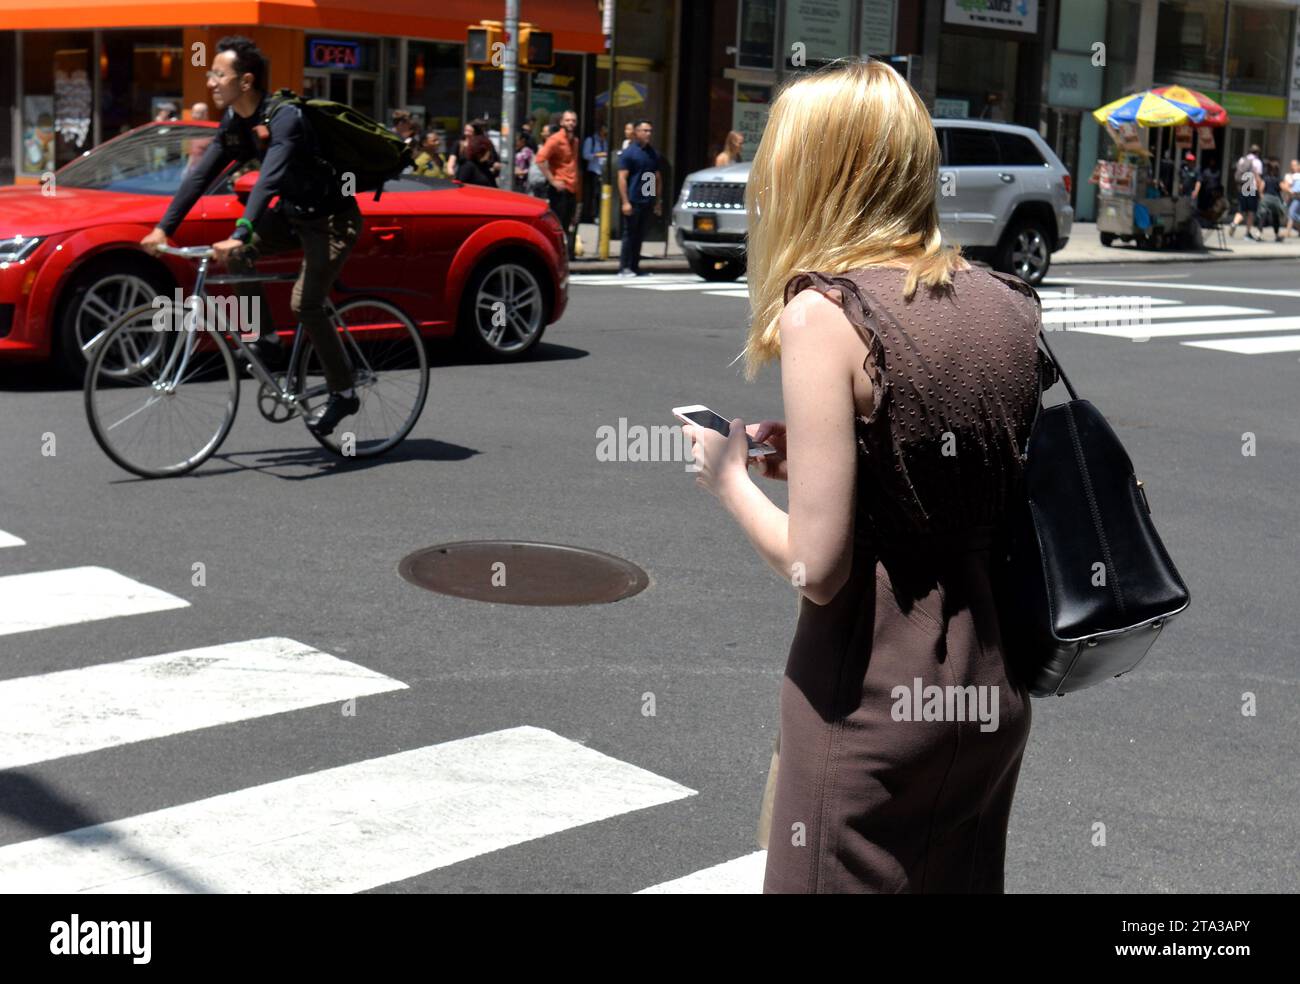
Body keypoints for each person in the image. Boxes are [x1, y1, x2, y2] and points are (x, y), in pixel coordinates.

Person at [683, 58, 1041, 893]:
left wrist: (728, 473)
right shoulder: (1005, 301)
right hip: (989, 695)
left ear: (817, 175)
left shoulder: (824, 312)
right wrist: (818, 457)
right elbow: (947, 460)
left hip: (866, 703)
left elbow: (817, 567)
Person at [140, 35, 362, 437]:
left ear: (245, 81)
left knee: (305, 304)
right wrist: (163, 228)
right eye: (209, 74)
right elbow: (202, 176)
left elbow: (270, 180)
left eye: (218, 75)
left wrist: (242, 231)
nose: (210, 81)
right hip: (294, 217)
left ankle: (344, 390)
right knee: (237, 258)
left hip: (332, 221)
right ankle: (266, 341)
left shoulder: (285, 118)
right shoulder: (236, 123)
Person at [617, 118, 662, 277]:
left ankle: (635, 266)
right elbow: (622, 178)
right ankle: (624, 267)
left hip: (646, 199)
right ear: (636, 132)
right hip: (633, 199)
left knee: (640, 234)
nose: (648, 133)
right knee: (629, 234)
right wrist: (625, 202)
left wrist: (656, 200)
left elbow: (654, 176)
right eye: (645, 130)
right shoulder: (629, 153)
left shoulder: (652, 153)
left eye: (650, 130)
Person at [536, 109, 581, 260]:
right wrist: (553, 180)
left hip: (572, 188)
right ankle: (555, 257)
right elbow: (540, 159)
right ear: (562, 122)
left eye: (573, 120)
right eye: (568, 120)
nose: (571, 123)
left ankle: (564, 257)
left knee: (568, 226)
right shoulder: (555, 139)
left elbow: (574, 165)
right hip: (560, 189)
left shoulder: (575, 141)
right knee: (558, 226)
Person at [1229, 144, 1263, 240]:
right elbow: (1257, 177)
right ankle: (1247, 233)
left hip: (1243, 187)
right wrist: (1260, 192)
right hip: (1251, 188)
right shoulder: (1257, 162)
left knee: (1242, 209)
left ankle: (1234, 223)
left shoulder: (1242, 159)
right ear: (1258, 152)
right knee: (1251, 212)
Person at [581, 123, 608, 222]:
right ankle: (593, 214)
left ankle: (599, 214)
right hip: (594, 170)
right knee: (594, 194)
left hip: (603, 171)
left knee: (601, 193)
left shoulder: (605, 141)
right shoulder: (591, 140)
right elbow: (585, 155)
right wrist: (598, 155)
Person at [1258, 158, 1286, 241]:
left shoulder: (1266, 178)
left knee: (1262, 215)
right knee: (1276, 217)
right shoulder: (1278, 179)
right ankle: (1277, 235)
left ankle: (1258, 234)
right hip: (1275, 199)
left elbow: (1261, 188)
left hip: (1266, 197)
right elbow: (1283, 188)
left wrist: (1262, 196)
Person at [1283, 158, 1300, 237]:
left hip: (1297, 198)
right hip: (1293, 197)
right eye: (1292, 165)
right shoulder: (1289, 175)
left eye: (1295, 165)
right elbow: (1286, 186)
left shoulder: (1297, 176)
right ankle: (1288, 232)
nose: (1293, 167)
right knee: (1292, 214)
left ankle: (1288, 232)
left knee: (1292, 214)